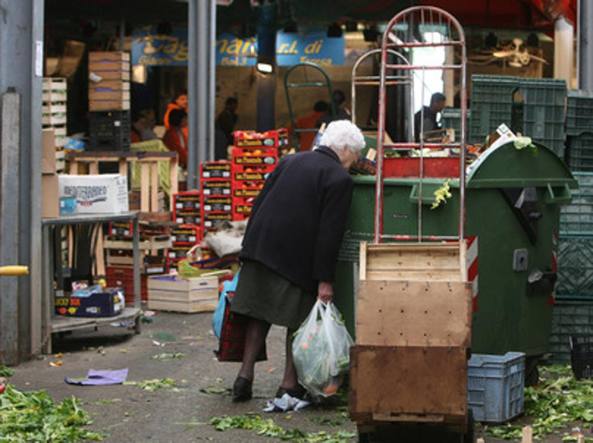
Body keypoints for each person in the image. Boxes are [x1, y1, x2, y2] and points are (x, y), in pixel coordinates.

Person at [230, 120, 365, 402]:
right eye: (355, 156)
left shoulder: (290, 161)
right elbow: (330, 233)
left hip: (260, 246)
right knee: (298, 320)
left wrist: (247, 248)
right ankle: (289, 384)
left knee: (258, 312)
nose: (354, 163)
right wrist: (325, 280)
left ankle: (244, 376)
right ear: (344, 149)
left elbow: (259, 202)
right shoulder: (339, 179)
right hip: (295, 257)